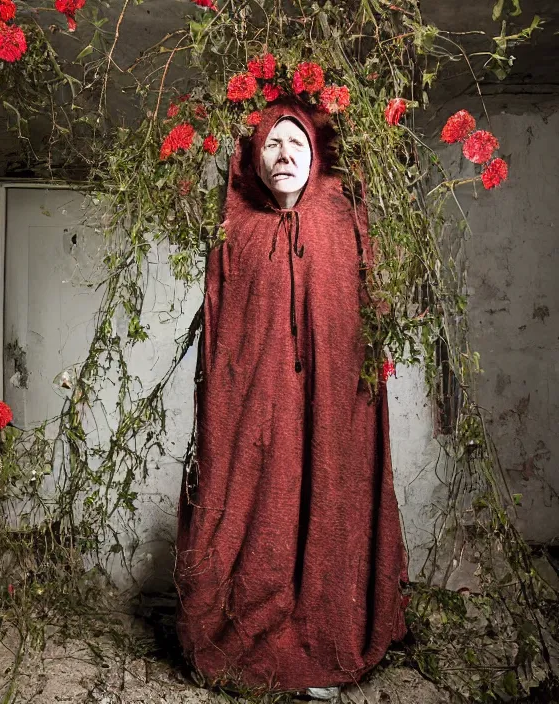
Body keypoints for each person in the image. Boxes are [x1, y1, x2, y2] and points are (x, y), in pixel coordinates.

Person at [174, 99, 409, 699]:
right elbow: (224, 333)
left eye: (296, 145)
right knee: (259, 508)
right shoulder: (239, 232)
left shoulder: (340, 226)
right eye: (272, 145)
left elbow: (364, 321)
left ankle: (324, 639)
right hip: (258, 407)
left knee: (329, 503)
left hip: (329, 410)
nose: (283, 156)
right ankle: (248, 637)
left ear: (314, 157)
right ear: (254, 157)